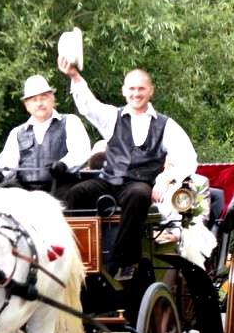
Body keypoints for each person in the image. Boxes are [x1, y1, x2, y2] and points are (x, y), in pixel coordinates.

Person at [58, 55, 197, 281]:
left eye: (141, 89)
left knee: (139, 194)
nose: (136, 93)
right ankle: (75, 259)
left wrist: (166, 177)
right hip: (109, 181)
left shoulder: (165, 124)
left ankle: (122, 261)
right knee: (76, 193)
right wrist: (74, 75)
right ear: (123, 91)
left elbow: (188, 157)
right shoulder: (112, 116)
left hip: (139, 184)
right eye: (131, 89)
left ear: (150, 91)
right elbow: (88, 106)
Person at [0, 74, 90, 194]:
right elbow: (8, 165)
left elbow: (81, 152)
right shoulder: (16, 133)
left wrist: (64, 165)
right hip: (26, 195)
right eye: (34, 100)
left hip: (63, 189)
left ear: (52, 99)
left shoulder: (70, 121)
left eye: (43, 97)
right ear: (26, 105)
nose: (39, 103)